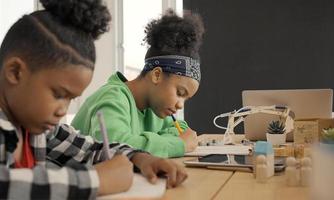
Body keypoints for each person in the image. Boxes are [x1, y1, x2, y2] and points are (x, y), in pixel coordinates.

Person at [0, 1, 187, 199]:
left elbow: (88, 148)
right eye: (58, 94)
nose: (63, 110)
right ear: (15, 72)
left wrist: (141, 158)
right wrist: (98, 180)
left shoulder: (35, 125)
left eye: (71, 99)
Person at [71, 9, 205, 158]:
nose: (180, 104)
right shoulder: (112, 98)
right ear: (157, 75)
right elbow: (115, 147)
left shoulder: (156, 108)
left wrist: (145, 141)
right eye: (180, 93)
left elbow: (182, 129)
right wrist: (178, 144)